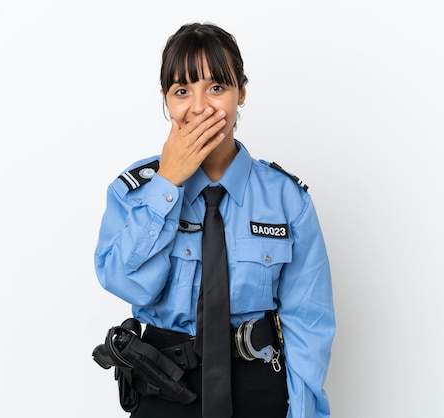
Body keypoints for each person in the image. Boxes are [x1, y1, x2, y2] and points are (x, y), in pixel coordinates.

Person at [94, 22, 335, 418]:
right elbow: (124, 280)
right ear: (165, 100)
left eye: (217, 87)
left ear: (242, 92)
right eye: (182, 90)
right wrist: (168, 182)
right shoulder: (135, 193)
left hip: (258, 389)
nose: (201, 106)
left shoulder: (287, 200)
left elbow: (309, 324)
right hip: (163, 388)